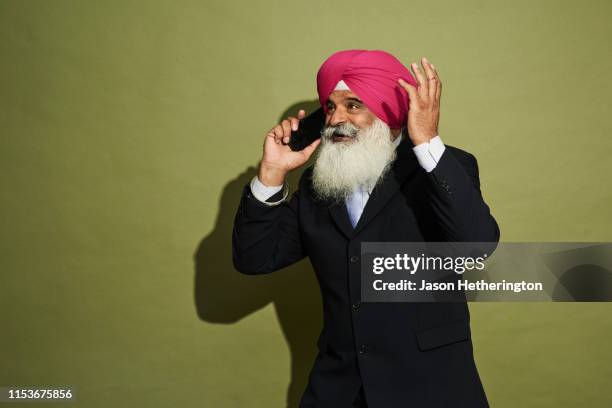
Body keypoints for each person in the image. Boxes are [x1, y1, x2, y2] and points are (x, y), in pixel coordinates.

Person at [232, 49, 500, 408]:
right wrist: (271, 175)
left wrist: (428, 142)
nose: (336, 119)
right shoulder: (316, 186)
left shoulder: (444, 168)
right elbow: (254, 258)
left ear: (388, 112)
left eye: (353, 105)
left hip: (431, 387)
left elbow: (477, 244)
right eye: (330, 107)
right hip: (339, 389)